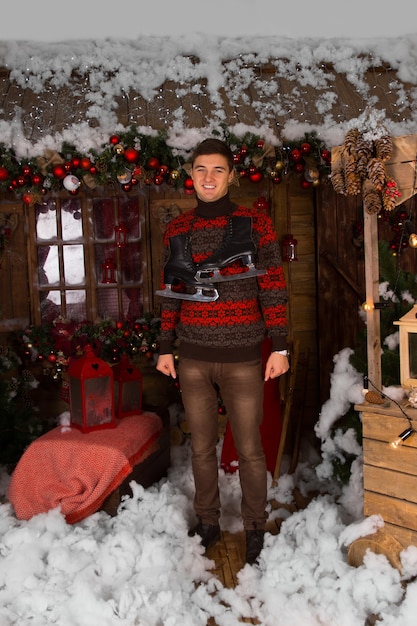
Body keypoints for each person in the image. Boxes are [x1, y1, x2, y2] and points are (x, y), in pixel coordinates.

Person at [156, 137, 289, 565]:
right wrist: (164, 347)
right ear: (190, 175)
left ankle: (254, 525)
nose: (208, 178)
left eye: (217, 170)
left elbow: (272, 286)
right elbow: (173, 293)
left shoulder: (256, 225)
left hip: (243, 357)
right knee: (200, 448)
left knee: (249, 448)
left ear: (231, 175)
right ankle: (208, 521)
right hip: (192, 357)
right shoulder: (177, 230)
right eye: (201, 170)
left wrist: (280, 345)